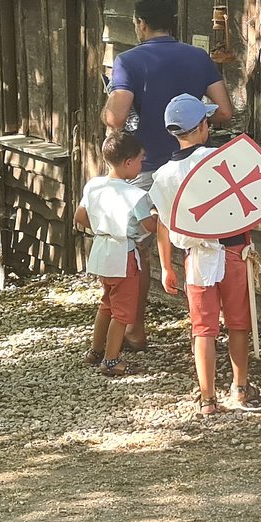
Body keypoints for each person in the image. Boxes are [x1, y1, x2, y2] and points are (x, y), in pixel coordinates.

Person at [101, 0, 234, 350]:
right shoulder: (197, 56)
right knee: (200, 244)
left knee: (138, 250)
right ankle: (206, 329)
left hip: (145, 166)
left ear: (140, 24)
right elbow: (224, 111)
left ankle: (135, 329)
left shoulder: (128, 61)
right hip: (192, 167)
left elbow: (115, 118)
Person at [149, 94, 261, 415]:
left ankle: (207, 399)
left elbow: (162, 224)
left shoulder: (163, 176)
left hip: (196, 259)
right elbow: (249, 205)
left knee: (203, 329)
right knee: (238, 324)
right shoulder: (221, 160)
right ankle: (240, 389)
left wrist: (165, 267)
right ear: (202, 125)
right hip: (233, 252)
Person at [74, 132, 156, 377]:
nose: (142, 165)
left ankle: (95, 350)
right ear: (128, 162)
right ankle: (111, 360)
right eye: (141, 160)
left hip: (100, 250)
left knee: (107, 302)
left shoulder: (94, 185)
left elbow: (79, 216)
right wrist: (158, 214)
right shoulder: (135, 195)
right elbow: (150, 227)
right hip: (124, 253)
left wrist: (103, 227)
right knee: (123, 310)